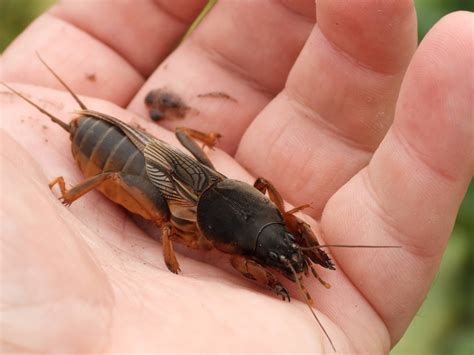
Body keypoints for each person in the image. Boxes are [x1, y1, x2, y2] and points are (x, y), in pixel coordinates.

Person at [1, 1, 472, 352]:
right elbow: (223, 235)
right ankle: (67, 196)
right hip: (113, 153)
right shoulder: (196, 230)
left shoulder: (249, 202)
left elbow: (239, 189)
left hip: (166, 161)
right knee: (114, 181)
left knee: (158, 162)